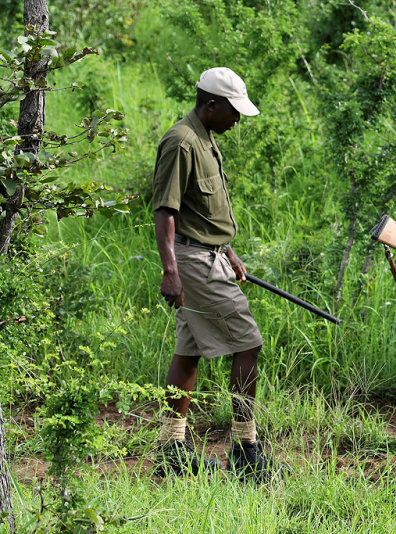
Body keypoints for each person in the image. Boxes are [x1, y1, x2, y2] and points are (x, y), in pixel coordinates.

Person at [151, 66, 279, 481]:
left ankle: (172, 449)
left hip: (211, 256)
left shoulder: (206, 138)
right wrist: (171, 271)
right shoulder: (181, 142)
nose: (237, 119)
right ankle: (245, 449)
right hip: (193, 264)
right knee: (248, 344)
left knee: (188, 351)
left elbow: (200, 211)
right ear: (210, 105)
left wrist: (229, 251)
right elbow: (166, 211)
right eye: (233, 111)